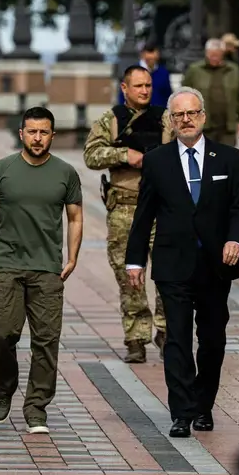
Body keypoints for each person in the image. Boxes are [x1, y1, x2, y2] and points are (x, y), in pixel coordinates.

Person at [125, 87, 239, 438]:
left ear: (203, 116)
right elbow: (144, 213)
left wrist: (235, 240)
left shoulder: (228, 158)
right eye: (178, 115)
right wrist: (134, 261)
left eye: (192, 113)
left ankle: (203, 406)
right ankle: (181, 412)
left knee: (212, 339)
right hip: (172, 263)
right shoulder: (157, 160)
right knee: (177, 339)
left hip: (215, 265)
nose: (186, 120)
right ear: (171, 119)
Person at [0, 106, 83, 434]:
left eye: (44, 132)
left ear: (53, 135)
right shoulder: (1, 169)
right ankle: (5, 385)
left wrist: (73, 258)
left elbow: (75, 217)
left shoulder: (66, 173)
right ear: (21, 133)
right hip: (6, 266)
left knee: (47, 340)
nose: (38, 138)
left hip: (47, 268)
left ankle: (36, 407)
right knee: (3, 333)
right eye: (32, 132)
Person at [85, 65, 174, 363]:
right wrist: (125, 155)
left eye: (148, 85)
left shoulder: (165, 119)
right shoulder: (111, 121)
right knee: (129, 277)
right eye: (138, 86)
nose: (145, 91)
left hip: (162, 208)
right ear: (125, 88)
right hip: (125, 207)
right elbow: (91, 155)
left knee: (167, 273)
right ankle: (136, 338)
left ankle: (165, 331)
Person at [181, 38, 239, 147]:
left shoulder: (233, 70)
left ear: (222, 54)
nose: (214, 58)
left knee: (226, 158)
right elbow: (183, 95)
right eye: (211, 55)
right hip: (202, 126)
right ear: (206, 53)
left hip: (227, 126)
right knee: (205, 158)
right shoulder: (195, 70)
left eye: (217, 55)